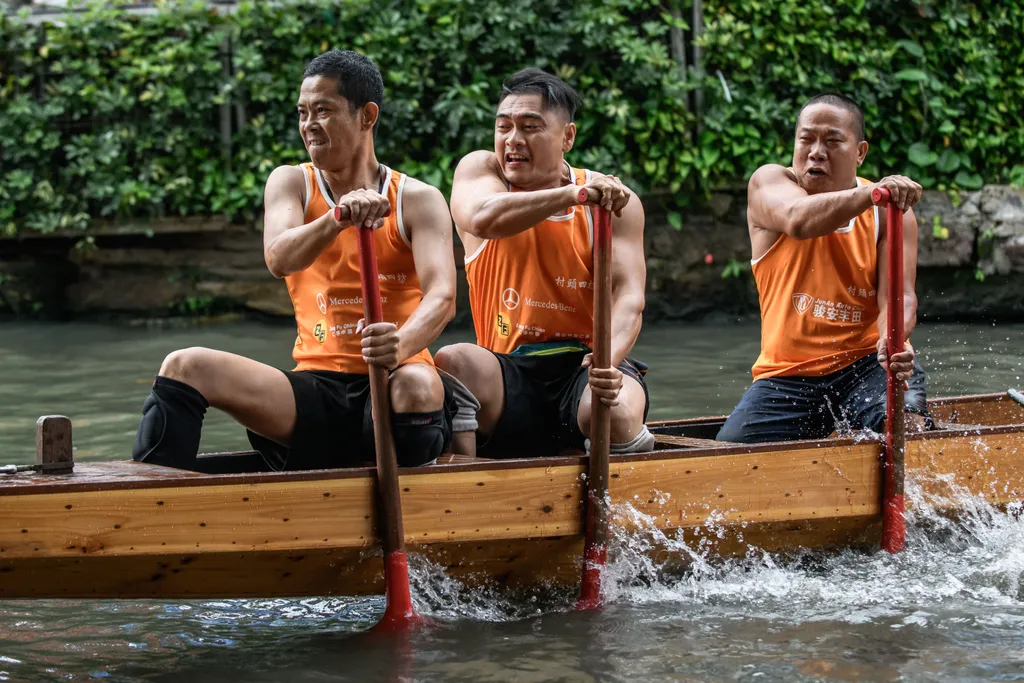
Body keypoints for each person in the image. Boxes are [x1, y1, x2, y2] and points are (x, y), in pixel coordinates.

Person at [132, 50, 458, 471]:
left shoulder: (418, 199)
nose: (309, 125)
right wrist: (337, 218)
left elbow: (443, 296)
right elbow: (279, 257)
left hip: (396, 376)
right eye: (303, 113)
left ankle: (410, 480)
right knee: (184, 365)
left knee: (415, 385)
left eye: (323, 111)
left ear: (367, 115)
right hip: (314, 388)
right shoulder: (291, 182)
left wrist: (399, 346)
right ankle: (150, 506)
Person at [434, 68, 652, 460]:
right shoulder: (482, 171)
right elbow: (483, 217)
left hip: (584, 365)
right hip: (508, 372)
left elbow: (629, 297)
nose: (513, 141)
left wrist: (608, 359)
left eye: (530, 127)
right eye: (504, 127)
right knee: (454, 360)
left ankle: (625, 474)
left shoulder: (616, 202)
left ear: (567, 136)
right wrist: (572, 195)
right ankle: (463, 481)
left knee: (612, 410)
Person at [717, 92, 928, 443]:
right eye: (807, 139)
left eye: (832, 141)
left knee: (908, 432)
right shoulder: (768, 184)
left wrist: (893, 339)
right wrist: (873, 194)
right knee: (728, 461)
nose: (816, 151)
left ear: (860, 153)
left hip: (866, 365)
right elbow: (799, 220)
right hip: (786, 373)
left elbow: (900, 297)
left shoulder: (890, 213)